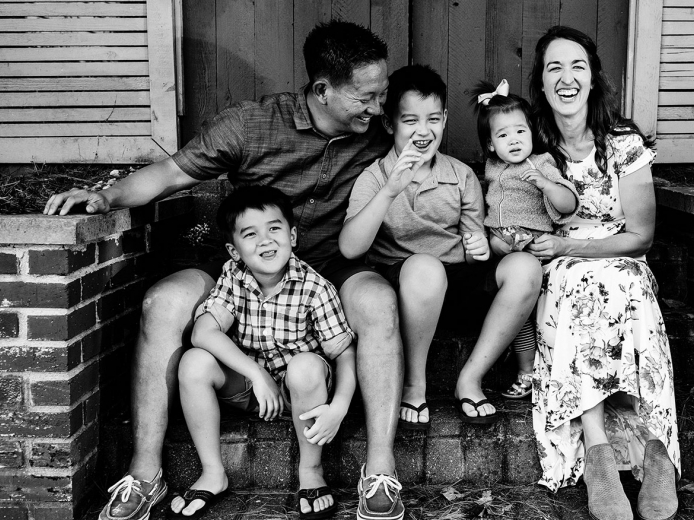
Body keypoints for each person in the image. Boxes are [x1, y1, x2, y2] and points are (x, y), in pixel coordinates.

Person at [44, 21, 409, 520]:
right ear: (323, 90)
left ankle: (380, 469)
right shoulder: (250, 124)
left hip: (332, 265)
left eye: (382, 94)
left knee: (379, 301)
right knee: (162, 302)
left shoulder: (381, 131)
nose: (377, 107)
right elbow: (171, 173)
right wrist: (105, 197)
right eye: (365, 97)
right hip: (242, 268)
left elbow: (430, 153)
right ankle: (146, 472)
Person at [524, 26, 680, 520]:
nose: (567, 78)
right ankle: (598, 455)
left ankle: (655, 449)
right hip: (561, 266)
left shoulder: (622, 143)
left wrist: (570, 244)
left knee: (625, 281)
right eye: (554, 68)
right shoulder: (532, 144)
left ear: (593, 79)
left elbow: (641, 237)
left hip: (620, 255)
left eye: (578, 66)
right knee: (576, 281)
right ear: (541, 83)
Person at [339, 64, 543, 429]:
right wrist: (390, 190)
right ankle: (414, 383)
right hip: (406, 288)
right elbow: (351, 249)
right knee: (425, 268)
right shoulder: (375, 177)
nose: (424, 130)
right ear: (389, 124)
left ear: (445, 119)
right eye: (410, 120)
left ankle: (471, 377)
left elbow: (473, 247)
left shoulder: (460, 175)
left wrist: (480, 248)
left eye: (433, 119)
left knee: (525, 268)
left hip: (456, 283)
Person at [172, 187, 355, 519]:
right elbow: (202, 332)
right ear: (234, 250)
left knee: (305, 367)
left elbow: (344, 354)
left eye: (274, 228)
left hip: (301, 394)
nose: (266, 240)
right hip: (251, 389)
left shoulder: (315, 288)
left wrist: (339, 407)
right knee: (193, 361)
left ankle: (311, 471)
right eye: (250, 234)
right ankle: (213, 472)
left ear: (292, 236)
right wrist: (257, 375)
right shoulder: (233, 277)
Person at [468, 78, 579, 402]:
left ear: (532, 132)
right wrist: (494, 241)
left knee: (525, 316)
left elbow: (568, 203)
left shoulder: (542, 163)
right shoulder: (492, 168)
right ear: (491, 145)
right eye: (503, 135)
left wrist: (546, 185)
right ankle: (524, 369)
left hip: (533, 248)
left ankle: (529, 371)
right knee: (513, 315)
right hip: (502, 249)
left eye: (520, 131)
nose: (514, 140)